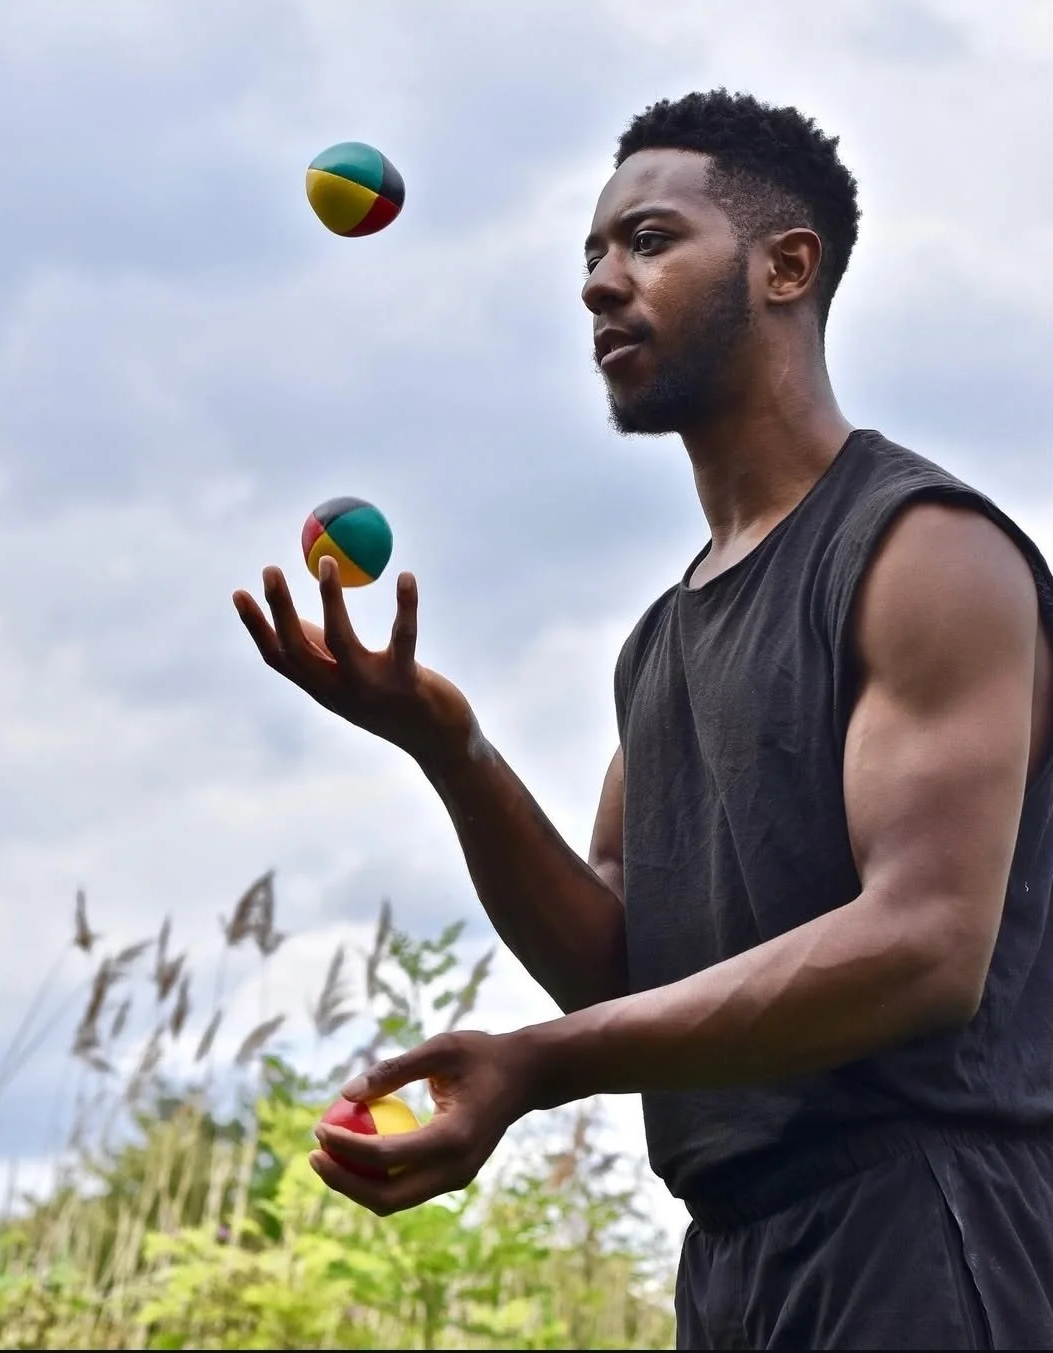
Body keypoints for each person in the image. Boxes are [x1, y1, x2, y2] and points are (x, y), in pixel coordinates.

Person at [232, 88, 1053, 1350]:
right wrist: (450, 751)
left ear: (787, 266)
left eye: (649, 242)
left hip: (920, 1223)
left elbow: (923, 946)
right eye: (591, 255)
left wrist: (537, 1066)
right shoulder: (663, 640)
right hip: (727, 1258)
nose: (599, 285)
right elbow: (619, 968)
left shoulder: (922, 551)